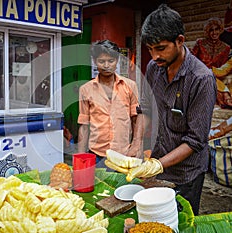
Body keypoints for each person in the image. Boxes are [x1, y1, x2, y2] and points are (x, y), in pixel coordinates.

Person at [137, 4, 217, 215]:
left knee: (181, 222)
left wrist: (157, 165)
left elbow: (195, 140)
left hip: (186, 174)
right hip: (158, 163)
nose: (154, 56)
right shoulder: (155, 68)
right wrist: (135, 146)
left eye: (161, 48)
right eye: (149, 49)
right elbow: (145, 108)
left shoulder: (202, 79)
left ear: (179, 41)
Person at [77, 39, 142, 169]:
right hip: (97, 155)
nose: (106, 65)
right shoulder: (85, 89)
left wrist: (137, 146)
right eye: (101, 61)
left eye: (110, 61)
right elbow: (84, 125)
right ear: (95, 61)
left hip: (124, 153)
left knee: (122, 188)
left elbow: (136, 119)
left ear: (117, 61)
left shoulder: (130, 86)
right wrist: (81, 157)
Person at [191, 17, 232, 108]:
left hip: (215, 74)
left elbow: (223, 68)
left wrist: (214, 71)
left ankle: (225, 98)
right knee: (207, 77)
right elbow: (191, 59)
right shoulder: (200, 43)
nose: (214, 33)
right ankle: (226, 97)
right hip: (198, 72)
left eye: (216, 29)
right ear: (207, 32)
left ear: (220, 30)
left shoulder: (226, 48)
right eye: (211, 30)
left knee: (211, 77)